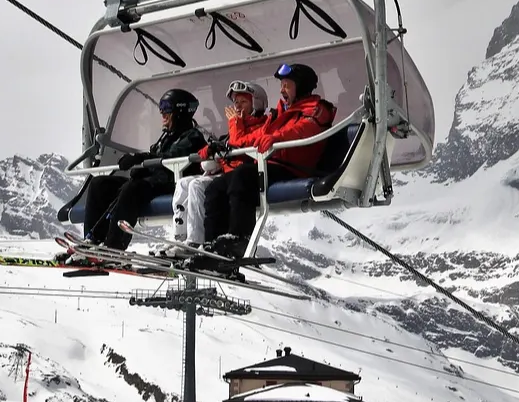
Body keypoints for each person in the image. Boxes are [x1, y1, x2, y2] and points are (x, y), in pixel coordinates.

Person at [201, 63, 336, 260]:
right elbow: (255, 139)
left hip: (293, 169)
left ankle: (239, 239)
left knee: (242, 176)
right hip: (269, 165)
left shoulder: (316, 109)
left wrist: (277, 137)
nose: (282, 90)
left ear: (301, 86)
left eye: (287, 85)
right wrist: (230, 144)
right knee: (216, 187)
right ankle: (212, 245)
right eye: (281, 85)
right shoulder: (278, 114)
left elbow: (304, 130)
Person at [74, 88, 208, 254]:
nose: (162, 114)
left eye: (167, 110)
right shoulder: (166, 137)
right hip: (154, 181)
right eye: (161, 110)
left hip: (172, 184)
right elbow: (156, 156)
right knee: (100, 184)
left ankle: (114, 246)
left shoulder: (192, 136)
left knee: (132, 189)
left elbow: (172, 156)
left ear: (180, 112)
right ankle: (93, 239)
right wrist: (141, 167)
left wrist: (141, 160)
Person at [164, 80, 269, 257]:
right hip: (225, 173)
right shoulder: (235, 127)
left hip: (243, 176)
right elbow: (207, 151)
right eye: (236, 103)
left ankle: (197, 241)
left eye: (243, 102)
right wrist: (212, 149)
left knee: (197, 186)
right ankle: (182, 238)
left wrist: (235, 124)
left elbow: (240, 143)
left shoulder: (262, 125)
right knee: (183, 183)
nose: (237, 107)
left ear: (257, 103)